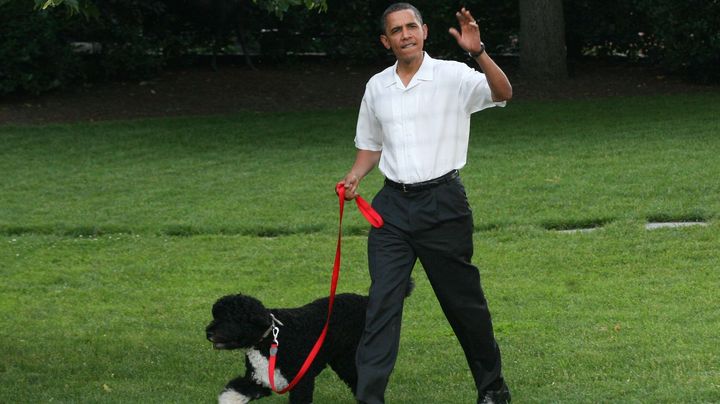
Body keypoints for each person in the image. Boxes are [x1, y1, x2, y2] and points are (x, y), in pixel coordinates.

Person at [337, 3, 513, 404]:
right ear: (387, 41)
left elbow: (503, 92)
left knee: (463, 305)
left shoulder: (453, 76)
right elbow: (371, 145)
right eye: (396, 30)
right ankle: (369, 398)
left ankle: (492, 388)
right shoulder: (376, 87)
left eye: (411, 26)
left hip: (443, 204)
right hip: (392, 210)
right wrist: (355, 174)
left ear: (425, 31)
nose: (405, 34)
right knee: (381, 304)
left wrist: (478, 51)